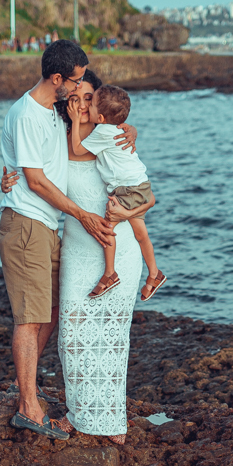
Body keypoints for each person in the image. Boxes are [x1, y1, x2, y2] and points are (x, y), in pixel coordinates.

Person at [2, 67, 149, 445]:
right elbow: (28, 171)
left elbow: (143, 192)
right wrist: (6, 180)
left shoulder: (114, 137)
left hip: (116, 250)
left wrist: (130, 131)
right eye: (75, 97)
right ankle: (80, 415)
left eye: (88, 98)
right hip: (76, 250)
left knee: (112, 340)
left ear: (99, 102)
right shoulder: (56, 138)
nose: (81, 104)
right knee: (73, 337)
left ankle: (113, 420)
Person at [70, 83, 165, 302]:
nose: (87, 107)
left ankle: (110, 274)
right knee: (141, 234)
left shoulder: (102, 131)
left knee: (107, 229)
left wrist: (75, 121)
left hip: (127, 189)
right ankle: (154, 273)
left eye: (91, 104)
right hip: (140, 184)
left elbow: (77, 149)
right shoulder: (114, 128)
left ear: (101, 117)